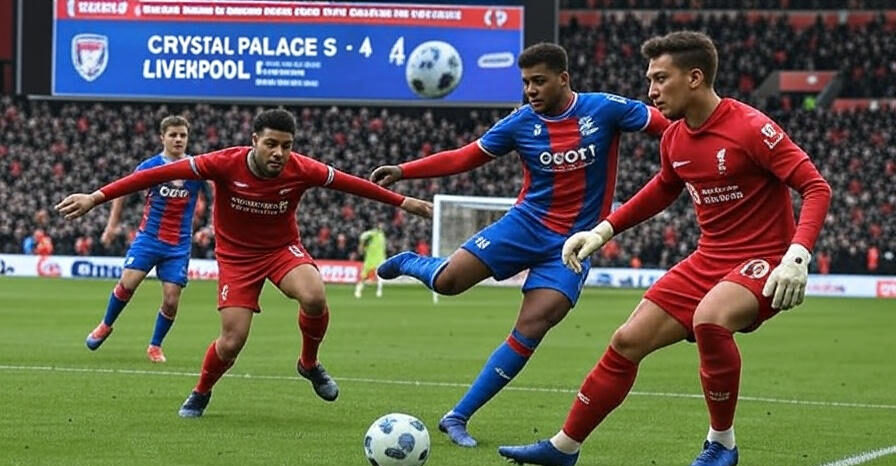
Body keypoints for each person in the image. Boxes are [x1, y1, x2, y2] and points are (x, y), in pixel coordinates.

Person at [497, 31, 832, 466]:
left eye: (660, 78)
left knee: (710, 320)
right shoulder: (674, 137)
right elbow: (662, 189)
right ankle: (565, 448)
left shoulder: (751, 127)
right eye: (649, 79)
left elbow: (815, 186)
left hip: (764, 260)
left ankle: (722, 445)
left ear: (694, 77)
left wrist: (797, 256)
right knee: (626, 340)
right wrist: (603, 231)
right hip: (708, 260)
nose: (651, 90)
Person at [370, 42, 670, 447]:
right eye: (526, 82)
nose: (530, 90)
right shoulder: (520, 124)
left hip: (573, 243)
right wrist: (405, 170)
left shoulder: (605, 109)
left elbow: (670, 127)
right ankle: (411, 261)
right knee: (449, 283)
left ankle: (458, 416)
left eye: (539, 82)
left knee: (536, 322)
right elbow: (464, 157)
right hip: (524, 225)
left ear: (563, 79)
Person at [56, 109, 432, 418]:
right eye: (271, 143)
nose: (279, 153)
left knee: (315, 295)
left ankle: (309, 363)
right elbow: (156, 174)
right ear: (254, 140)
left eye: (286, 146)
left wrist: (403, 202)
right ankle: (201, 392)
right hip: (236, 258)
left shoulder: (302, 168)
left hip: (282, 249)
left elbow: (352, 184)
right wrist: (96, 196)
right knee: (233, 341)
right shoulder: (223, 163)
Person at [85, 116, 211, 363]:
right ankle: (105, 325)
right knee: (128, 283)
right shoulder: (150, 167)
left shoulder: (197, 169)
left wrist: (212, 226)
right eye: (173, 135)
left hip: (178, 244)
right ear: (162, 137)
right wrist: (112, 226)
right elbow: (122, 193)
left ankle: (155, 345)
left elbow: (216, 196)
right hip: (149, 238)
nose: (178, 139)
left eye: (182, 135)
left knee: (172, 300)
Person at [354, 222, 387, 298]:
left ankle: (379, 291)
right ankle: (358, 289)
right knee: (364, 275)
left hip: (380, 258)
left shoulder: (382, 234)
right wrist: (361, 245)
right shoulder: (373, 233)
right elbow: (362, 236)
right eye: (381, 225)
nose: (382, 226)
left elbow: (383, 247)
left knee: (380, 275)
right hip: (370, 258)